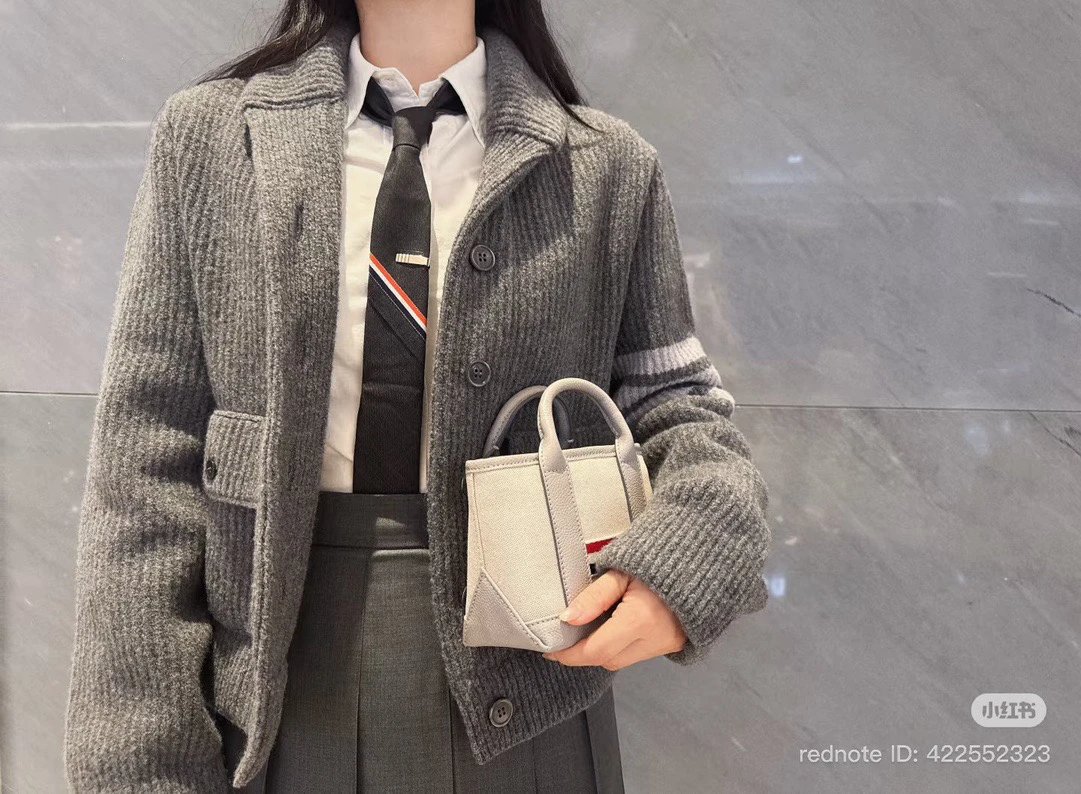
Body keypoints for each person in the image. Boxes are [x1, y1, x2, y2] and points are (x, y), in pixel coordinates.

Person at [62, 0, 773, 791]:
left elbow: (680, 408)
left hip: (533, 689)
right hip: (272, 692)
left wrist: (684, 562)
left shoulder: (605, 166)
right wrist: (140, 760)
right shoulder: (214, 140)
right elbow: (146, 463)